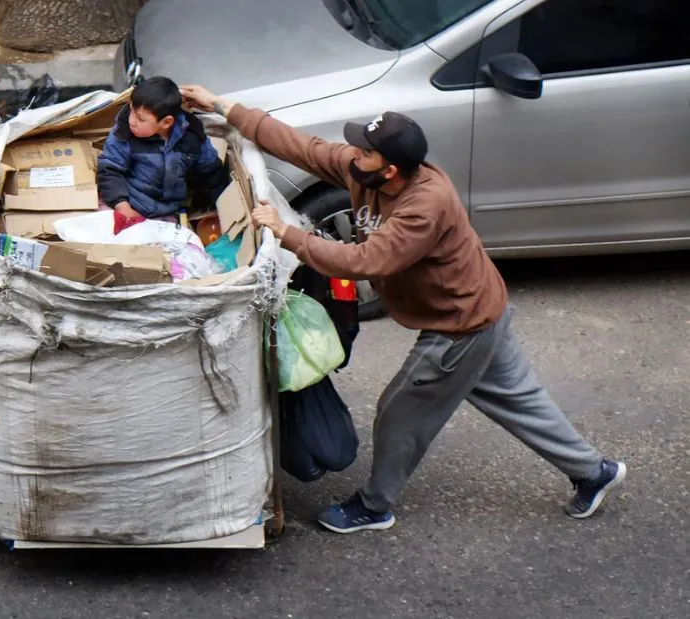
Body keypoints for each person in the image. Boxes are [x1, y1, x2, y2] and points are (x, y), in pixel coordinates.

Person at [180, 84, 626, 533]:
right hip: (483, 309)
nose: (353, 155)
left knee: (399, 415)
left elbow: (366, 261)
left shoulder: (424, 206)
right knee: (521, 401)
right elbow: (304, 147)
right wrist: (220, 105)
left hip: (459, 325)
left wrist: (286, 233)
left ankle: (374, 506)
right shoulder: (366, 171)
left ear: (390, 169)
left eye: (365, 151)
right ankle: (594, 472)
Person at [97, 77, 229, 233]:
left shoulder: (192, 136)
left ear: (166, 122)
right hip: (128, 203)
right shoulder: (123, 132)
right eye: (131, 110)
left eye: (140, 119)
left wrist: (219, 209)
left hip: (167, 213)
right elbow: (110, 169)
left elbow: (212, 174)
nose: (131, 120)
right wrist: (122, 206)